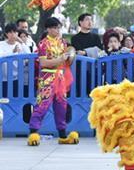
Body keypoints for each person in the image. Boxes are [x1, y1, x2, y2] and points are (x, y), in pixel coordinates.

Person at [27, 17, 79, 146]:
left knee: (61, 106)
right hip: (47, 78)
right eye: (54, 28)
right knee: (42, 105)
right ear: (48, 29)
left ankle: (62, 135)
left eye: (58, 27)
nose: (57, 30)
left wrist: (69, 57)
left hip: (60, 78)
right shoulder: (43, 44)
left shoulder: (62, 42)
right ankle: (33, 132)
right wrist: (60, 60)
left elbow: (67, 60)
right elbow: (44, 63)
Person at [0, 24, 29, 97]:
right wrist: (13, 52)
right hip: (3, 79)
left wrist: (21, 42)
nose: (13, 34)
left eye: (15, 32)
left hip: (17, 78)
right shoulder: (1, 44)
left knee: (16, 100)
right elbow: (2, 57)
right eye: (10, 32)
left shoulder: (20, 45)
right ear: (6, 34)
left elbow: (28, 54)